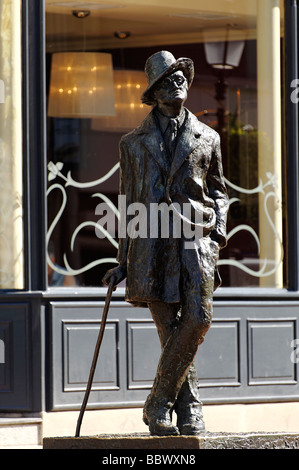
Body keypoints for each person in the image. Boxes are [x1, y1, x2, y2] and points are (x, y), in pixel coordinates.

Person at [102, 51, 229, 436]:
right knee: (168, 329)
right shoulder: (132, 143)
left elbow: (219, 191)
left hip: (195, 244)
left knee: (198, 320)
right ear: (154, 93)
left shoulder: (209, 137)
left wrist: (218, 233)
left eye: (181, 77)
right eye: (168, 80)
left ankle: (157, 403)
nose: (178, 83)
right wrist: (123, 260)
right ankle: (190, 412)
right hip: (150, 247)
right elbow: (128, 202)